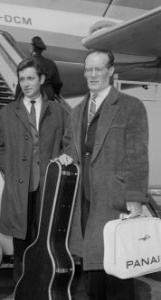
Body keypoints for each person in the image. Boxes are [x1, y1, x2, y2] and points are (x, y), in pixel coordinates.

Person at [59, 49, 149, 300]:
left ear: (111, 71)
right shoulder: (76, 112)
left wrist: (135, 198)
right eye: (88, 69)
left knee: (119, 270)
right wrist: (67, 157)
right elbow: (70, 147)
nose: (93, 74)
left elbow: (138, 156)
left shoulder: (131, 107)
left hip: (115, 200)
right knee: (93, 270)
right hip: (84, 203)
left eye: (98, 69)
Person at [0, 57, 69, 284]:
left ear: (42, 79)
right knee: (21, 248)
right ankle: (22, 291)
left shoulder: (59, 112)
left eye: (30, 78)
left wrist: (64, 157)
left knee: (47, 245)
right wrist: (9, 167)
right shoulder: (5, 114)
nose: (26, 83)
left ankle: (45, 291)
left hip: (49, 190)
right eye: (22, 79)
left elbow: (69, 143)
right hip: (19, 191)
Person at [15, 36, 63, 100]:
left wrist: (16, 99)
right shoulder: (51, 63)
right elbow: (58, 83)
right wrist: (56, 93)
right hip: (48, 97)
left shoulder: (25, 63)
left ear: (32, 48)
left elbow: (20, 84)